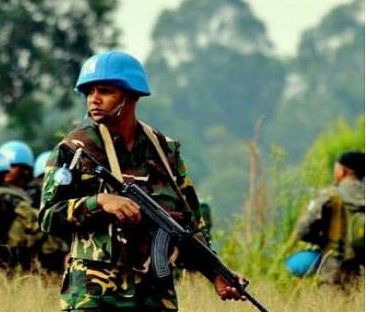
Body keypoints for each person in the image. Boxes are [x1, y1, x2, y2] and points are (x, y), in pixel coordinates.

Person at [38, 50, 246, 311]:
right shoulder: (75, 148)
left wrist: (216, 273)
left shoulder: (164, 149)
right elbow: (48, 217)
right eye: (89, 92)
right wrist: (99, 202)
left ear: (131, 95)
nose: (94, 99)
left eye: (105, 91)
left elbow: (187, 224)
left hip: (154, 294)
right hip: (94, 295)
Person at [293, 151, 364, 286]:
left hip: (333, 268)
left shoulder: (330, 195)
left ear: (344, 171)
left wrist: (321, 241)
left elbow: (302, 229)